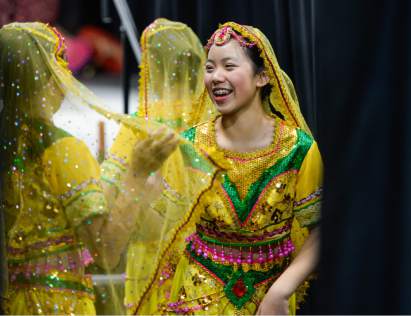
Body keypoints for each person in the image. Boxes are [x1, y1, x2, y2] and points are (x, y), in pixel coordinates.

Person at [125, 21, 323, 315]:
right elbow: (160, 227)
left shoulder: (299, 150)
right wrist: (138, 181)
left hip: (268, 300)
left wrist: (281, 291)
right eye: (209, 68)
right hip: (196, 296)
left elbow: (321, 229)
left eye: (229, 66)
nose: (216, 77)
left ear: (263, 76)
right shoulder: (190, 146)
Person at [0, 22, 174, 315]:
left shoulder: (9, 144)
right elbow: (106, 251)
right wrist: (137, 173)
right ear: (49, 75)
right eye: (62, 63)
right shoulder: (63, 151)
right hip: (57, 305)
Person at [99, 17, 208, 312]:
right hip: (207, 260)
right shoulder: (213, 121)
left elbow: (109, 188)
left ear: (150, 66)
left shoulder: (140, 124)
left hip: (151, 262)